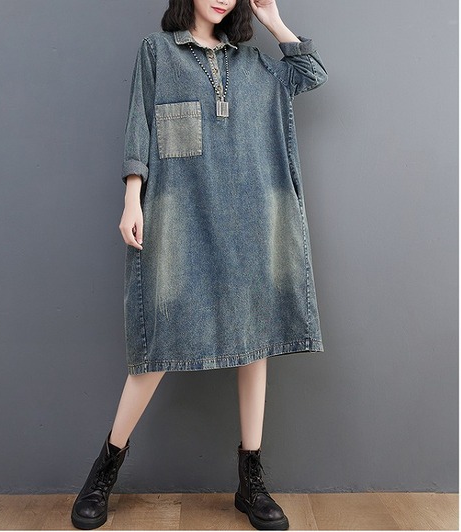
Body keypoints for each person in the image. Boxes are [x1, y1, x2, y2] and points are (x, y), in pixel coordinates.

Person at [71, 0, 328, 529]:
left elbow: (310, 72)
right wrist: (132, 199)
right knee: (158, 342)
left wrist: (272, 18)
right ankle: (105, 469)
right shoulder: (158, 52)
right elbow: (140, 127)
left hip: (253, 224)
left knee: (256, 342)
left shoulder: (255, 65)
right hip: (181, 218)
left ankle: (250, 480)